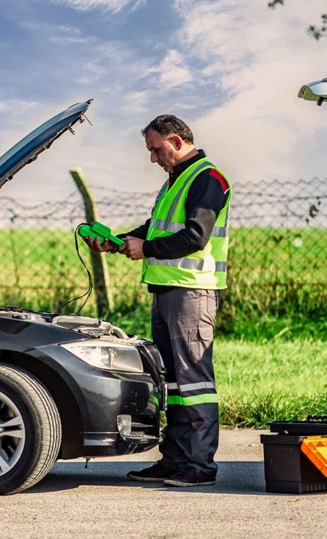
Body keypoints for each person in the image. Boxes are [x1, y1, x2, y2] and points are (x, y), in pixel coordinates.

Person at [84, 114, 230, 487]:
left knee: (194, 382)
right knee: (175, 385)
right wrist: (118, 242)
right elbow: (155, 229)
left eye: (155, 149)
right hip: (167, 290)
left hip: (192, 292)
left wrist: (146, 248)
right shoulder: (176, 181)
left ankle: (200, 465)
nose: (152, 158)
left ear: (176, 141)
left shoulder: (207, 179)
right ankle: (175, 459)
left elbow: (195, 236)